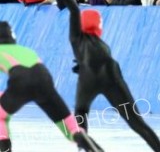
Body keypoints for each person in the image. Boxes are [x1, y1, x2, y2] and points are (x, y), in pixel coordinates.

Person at [55, 0, 160, 152]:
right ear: (98, 25)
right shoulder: (103, 45)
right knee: (136, 123)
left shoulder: (76, 38)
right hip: (111, 77)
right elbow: (105, 60)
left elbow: (75, 11)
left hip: (88, 79)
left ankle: (88, 149)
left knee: (80, 115)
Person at [0, 21, 103, 152]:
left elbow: (24, 79)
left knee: (0, 117)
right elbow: (35, 74)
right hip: (45, 81)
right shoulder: (25, 50)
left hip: (21, 82)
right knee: (71, 129)